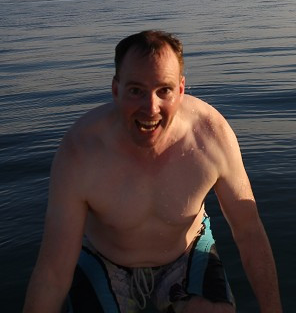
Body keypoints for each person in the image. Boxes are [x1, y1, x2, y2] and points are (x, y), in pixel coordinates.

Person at [24, 30, 282, 313]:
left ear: (181, 90)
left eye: (164, 90)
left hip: (186, 252)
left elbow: (249, 233)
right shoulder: (81, 152)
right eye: (136, 90)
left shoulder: (210, 136)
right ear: (115, 89)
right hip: (105, 258)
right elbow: (53, 272)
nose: (150, 108)